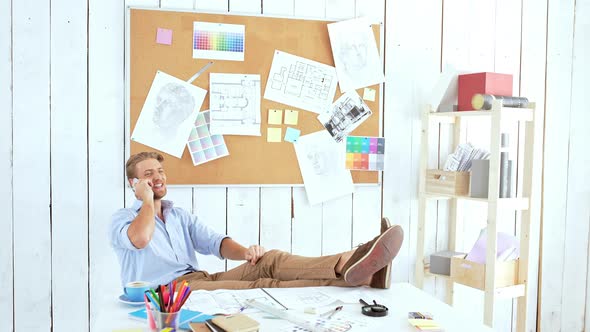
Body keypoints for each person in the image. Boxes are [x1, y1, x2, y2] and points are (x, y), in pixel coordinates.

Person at [109, 151, 404, 291]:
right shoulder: (123, 220)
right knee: (262, 285)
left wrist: (246, 253)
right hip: (166, 293)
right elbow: (141, 239)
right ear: (134, 183)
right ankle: (362, 271)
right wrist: (146, 201)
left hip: (199, 280)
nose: (158, 177)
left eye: (160, 171)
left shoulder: (178, 215)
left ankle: (349, 262)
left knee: (269, 261)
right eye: (148, 175)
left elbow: (216, 244)